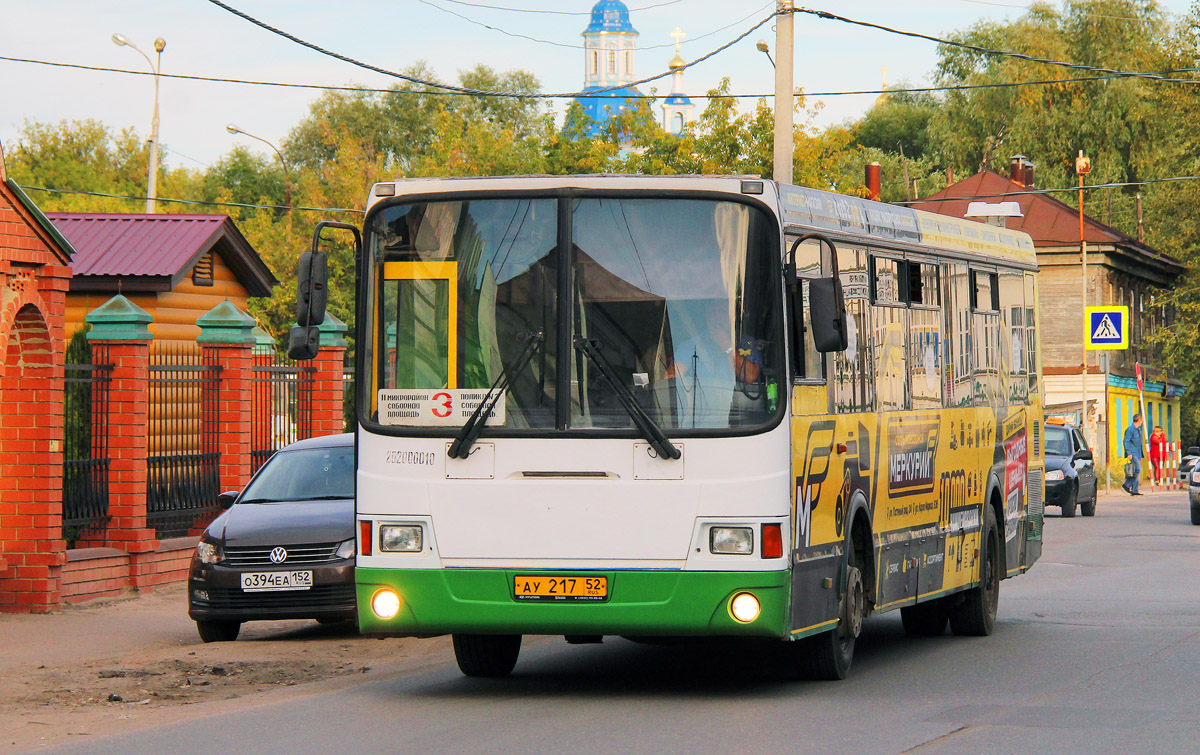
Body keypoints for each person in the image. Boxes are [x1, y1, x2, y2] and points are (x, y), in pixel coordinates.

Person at [1123, 413, 1145, 496]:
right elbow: (1126, 441)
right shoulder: (1130, 429)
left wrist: (1140, 455)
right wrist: (1129, 453)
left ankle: (1134, 490)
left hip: (1137, 453)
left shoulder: (1137, 430)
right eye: (1141, 420)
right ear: (1139, 420)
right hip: (1132, 453)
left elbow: (1138, 443)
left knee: (1136, 471)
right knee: (1138, 470)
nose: (1142, 422)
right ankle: (1127, 484)